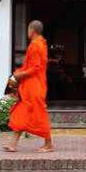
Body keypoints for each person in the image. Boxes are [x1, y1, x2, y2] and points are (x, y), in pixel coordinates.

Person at [5, 20, 53, 152]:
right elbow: (31, 66)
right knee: (21, 112)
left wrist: (19, 76)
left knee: (39, 114)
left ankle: (48, 144)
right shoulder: (39, 44)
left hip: (34, 86)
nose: (27, 32)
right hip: (32, 85)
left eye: (28, 29)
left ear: (32, 30)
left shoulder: (36, 45)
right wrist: (19, 72)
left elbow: (36, 68)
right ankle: (13, 144)